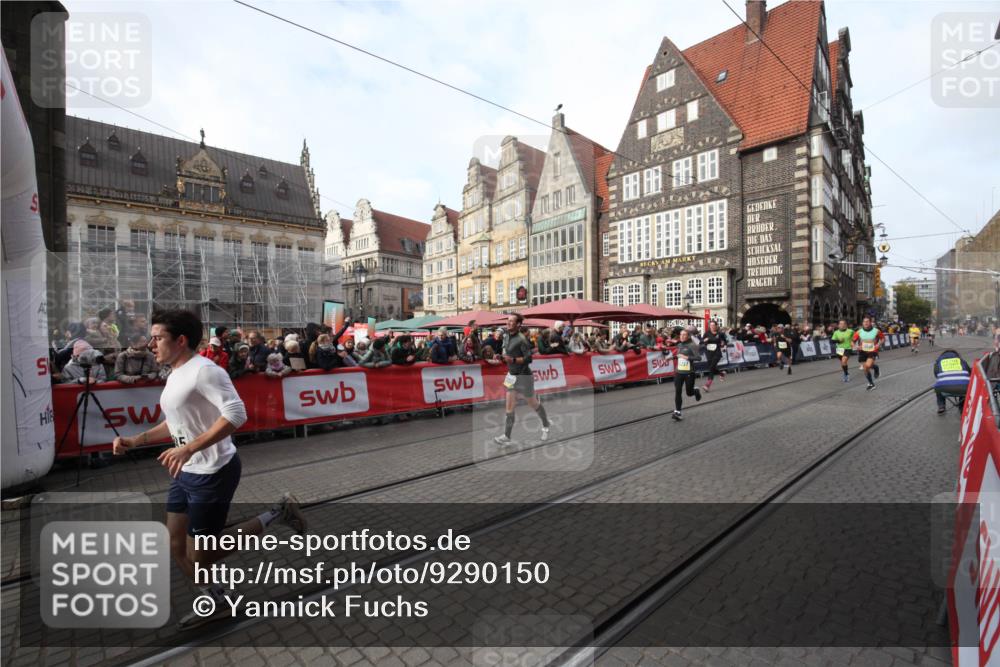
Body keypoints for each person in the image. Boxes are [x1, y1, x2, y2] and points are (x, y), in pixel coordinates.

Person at [112, 309, 305, 629]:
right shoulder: (175, 372)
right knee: (176, 545)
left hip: (214, 471)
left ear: (181, 340)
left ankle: (278, 513)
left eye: (158, 338)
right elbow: (176, 424)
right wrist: (138, 439)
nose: (151, 344)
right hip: (187, 472)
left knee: (201, 555)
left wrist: (189, 448)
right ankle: (218, 599)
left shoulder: (205, 371)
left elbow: (236, 414)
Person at [494, 313, 550, 445]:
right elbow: (505, 351)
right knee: (509, 407)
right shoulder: (506, 336)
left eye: (511, 321)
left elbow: (528, 359)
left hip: (524, 376)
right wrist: (501, 357)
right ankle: (507, 436)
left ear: (518, 324)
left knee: (533, 403)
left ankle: (546, 423)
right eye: (507, 320)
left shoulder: (522, 339)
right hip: (511, 376)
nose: (508, 323)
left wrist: (512, 359)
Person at [671, 328, 702, 421]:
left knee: (689, 393)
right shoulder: (679, 344)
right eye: (681, 335)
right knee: (678, 391)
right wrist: (672, 357)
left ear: (688, 336)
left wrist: (686, 357)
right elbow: (679, 355)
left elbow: (698, 358)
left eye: (684, 335)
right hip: (679, 372)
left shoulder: (693, 345)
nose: (682, 336)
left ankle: (695, 391)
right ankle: (678, 411)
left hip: (689, 373)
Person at [932, 349, 971, 414]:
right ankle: (962, 407)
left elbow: (936, 374)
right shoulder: (961, 360)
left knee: (938, 385)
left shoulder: (938, 362)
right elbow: (969, 372)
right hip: (963, 388)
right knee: (964, 383)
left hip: (944, 388)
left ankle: (941, 406)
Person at [852, 315, 884, 391]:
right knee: (866, 368)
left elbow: (882, 338)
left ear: (870, 322)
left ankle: (871, 382)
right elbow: (853, 341)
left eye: (867, 321)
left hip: (872, 351)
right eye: (864, 321)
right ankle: (872, 381)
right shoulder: (859, 332)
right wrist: (856, 347)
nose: (865, 323)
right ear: (862, 323)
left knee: (867, 366)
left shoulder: (876, 331)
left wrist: (878, 344)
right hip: (862, 351)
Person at [701, 321, 727, 392]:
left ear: (716, 326)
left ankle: (707, 385)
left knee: (711, 368)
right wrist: (704, 340)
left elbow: (725, 342)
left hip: (717, 352)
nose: (712, 327)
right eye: (710, 325)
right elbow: (701, 341)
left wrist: (723, 344)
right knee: (711, 367)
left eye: (713, 325)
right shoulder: (707, 333)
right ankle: (721, 373)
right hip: (709, 352)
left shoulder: (720, 334)